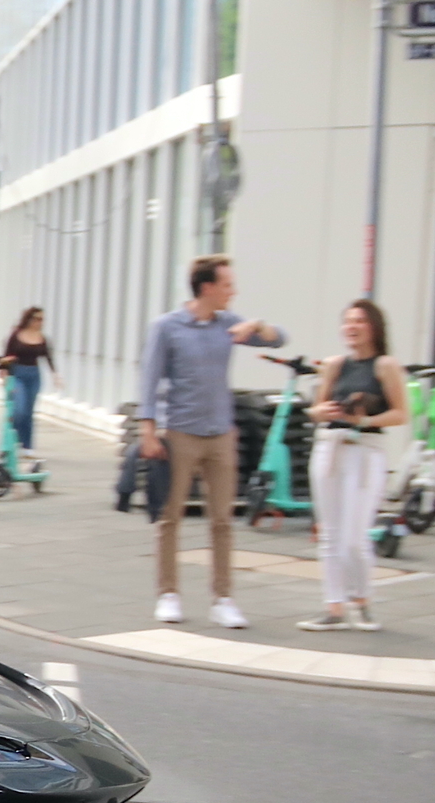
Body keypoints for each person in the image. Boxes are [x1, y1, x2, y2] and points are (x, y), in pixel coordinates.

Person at [137, 255, 287, 628]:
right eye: (227, 285)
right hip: (180, 434)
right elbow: (149, 380)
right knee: (170, 518)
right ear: (207, 288)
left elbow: (281, 339)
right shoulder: (167, 327)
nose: (232, 292)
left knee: (222, 520)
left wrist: (260, 326)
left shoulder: (230, 324)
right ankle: (168, 594)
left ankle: (223, 598)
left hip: (221, 434)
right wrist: (148, 431)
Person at [297, 299, 407, 633]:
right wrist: (325, 412)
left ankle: (361, 600)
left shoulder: (385, 365)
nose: (351, 327)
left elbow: (401, 413)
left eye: (359, 320)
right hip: (330, 447)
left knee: (354, 536)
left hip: (365, 449)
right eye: (347, 321)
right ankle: (333, 607)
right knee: (329, 534)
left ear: (373, 326)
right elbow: (315, 410)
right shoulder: (335, 364)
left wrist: (366, 419)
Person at [0, 307, 56, 450]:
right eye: (38, 319)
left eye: (42, 319)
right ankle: (14, 437)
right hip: (18, 374)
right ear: (29, 319)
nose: (40, 322)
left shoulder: (42, 338)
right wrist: (4, 373)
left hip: (34, 375)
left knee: (29, 413)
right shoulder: (16, 335)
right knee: (19, 410)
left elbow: (48, 357)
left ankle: (27, 447)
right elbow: (5, 355)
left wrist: (55, 374)